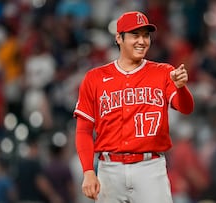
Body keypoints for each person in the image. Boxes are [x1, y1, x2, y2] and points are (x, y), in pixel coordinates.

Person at [73, 11, 194, 203]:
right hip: (109, 169)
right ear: (119, 38)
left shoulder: (163, 72)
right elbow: (83, 130)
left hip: (150, 168)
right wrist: (88, 171)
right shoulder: (95, 78)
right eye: (135, 35)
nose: (142, 41)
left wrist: (181, 89)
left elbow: (186, 108)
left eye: (146, 35)